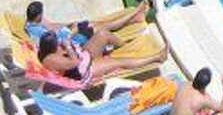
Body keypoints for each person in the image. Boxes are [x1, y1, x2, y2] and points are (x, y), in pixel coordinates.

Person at [36, 30, 165, 86]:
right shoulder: (52, 60)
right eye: (57, 43)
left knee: (103, 34)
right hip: (85, 70)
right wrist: (68, 47)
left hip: (84, 57)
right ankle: (158, 57)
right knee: (119, 62)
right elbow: (74, 63)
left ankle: (129, 46)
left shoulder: (43, 51)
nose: (59, 44)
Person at [24, 0, 148, 54]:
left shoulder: (31, 23)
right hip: (77, 41)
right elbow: (60, 43)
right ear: (38, 15)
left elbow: (51, 25)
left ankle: (135, 18)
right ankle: (136, 12)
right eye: (42, 13)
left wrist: (70, 24)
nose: (43, 15)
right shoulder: (38, 34)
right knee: (105, 25)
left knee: (97, 23)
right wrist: (74, 30)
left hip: (72, 33)